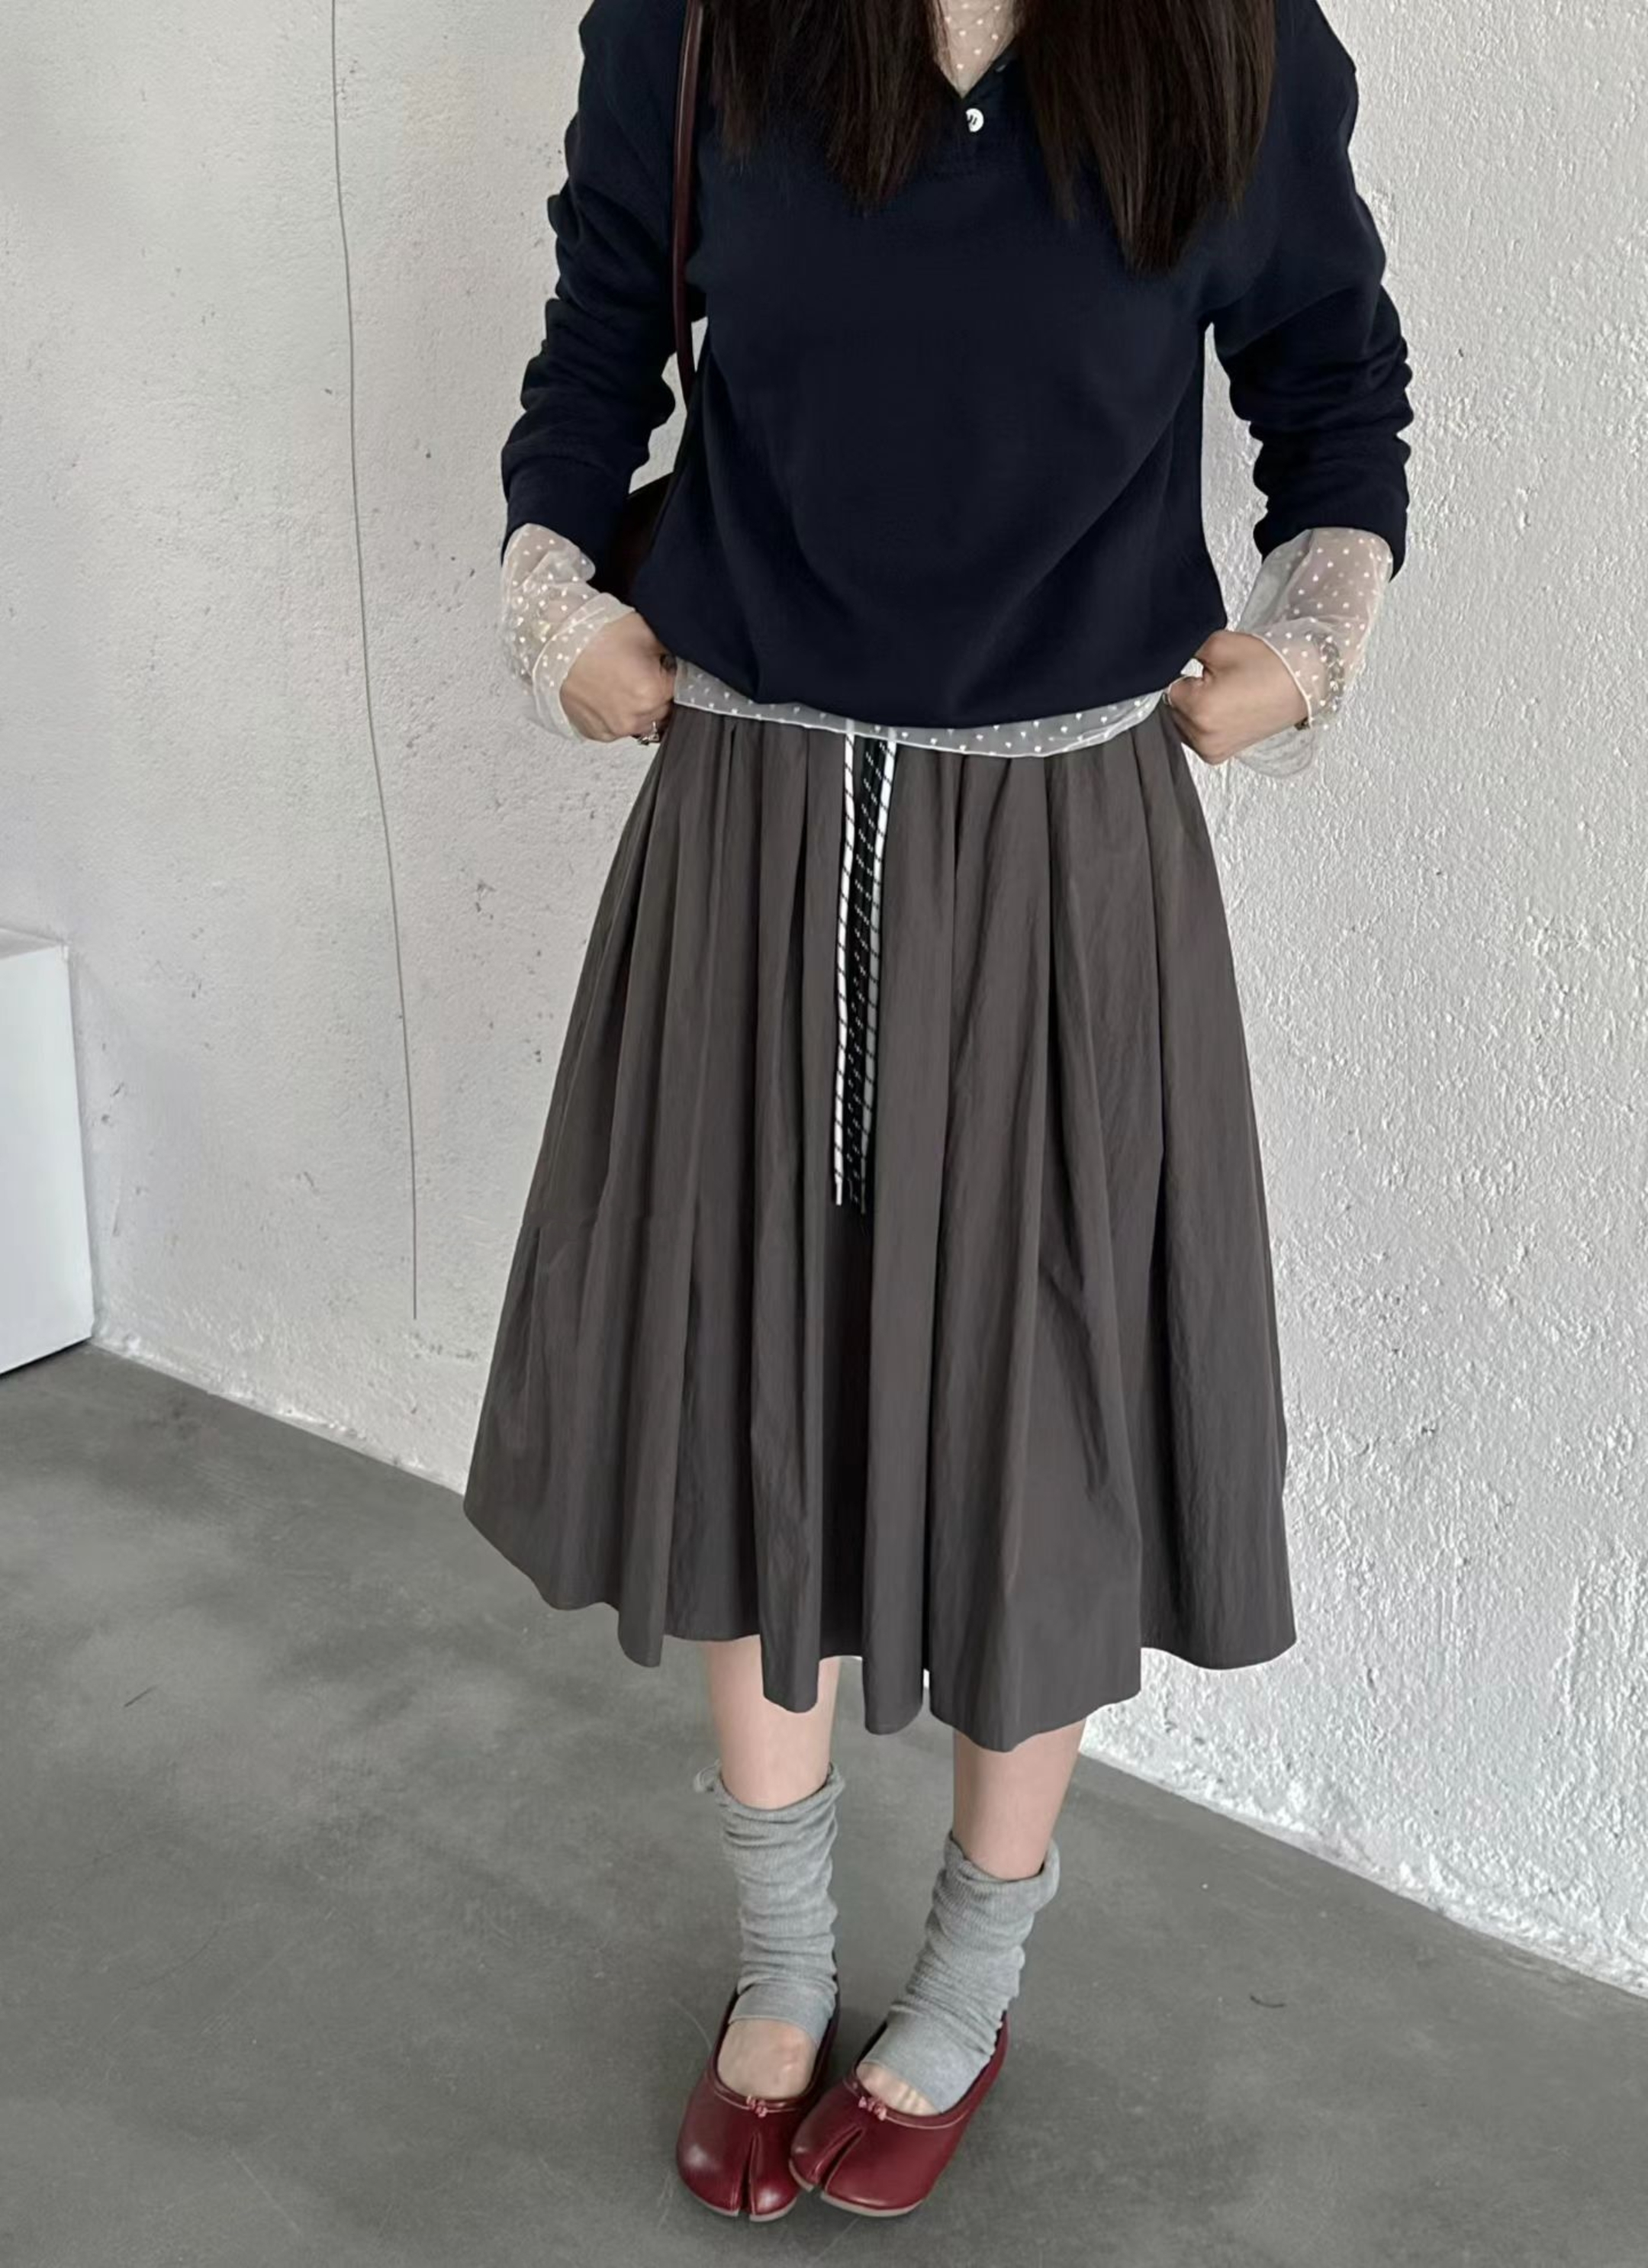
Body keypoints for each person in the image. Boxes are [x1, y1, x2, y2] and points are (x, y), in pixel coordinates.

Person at [464, 0, 1412, 2221]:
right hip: (749, 814)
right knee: (747, 1387)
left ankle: (970, 1984)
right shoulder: (701, 27)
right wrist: (549, 593)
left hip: (1069, 845)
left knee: (1037, 1427)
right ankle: (782, 1969)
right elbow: (602, 335)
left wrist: (1316, 634)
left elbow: (1334, 376)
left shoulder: (1233, 47)